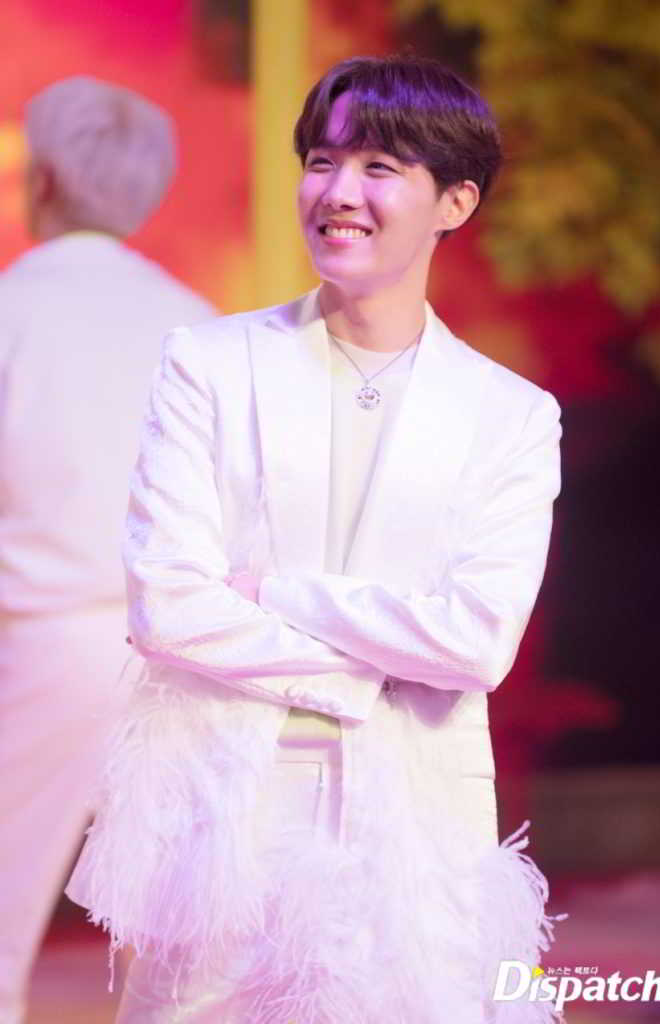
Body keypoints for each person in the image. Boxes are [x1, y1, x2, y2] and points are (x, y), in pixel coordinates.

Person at [68, 56, 564, 1023]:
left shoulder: (509, 415)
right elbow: (168, 605)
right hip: (221, 824)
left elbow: (474, 644)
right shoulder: (210, 364)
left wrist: (273, 592)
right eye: (322, 160)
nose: (337, 192)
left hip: (414, 833)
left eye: (379, 168)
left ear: (454, 202)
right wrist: (375, 672)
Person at [0, 76, 216, 1023]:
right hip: (186, 653)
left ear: (42, 177)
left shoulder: (12, 310)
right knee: (181, 945)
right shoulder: (201, 323)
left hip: (40, 646)